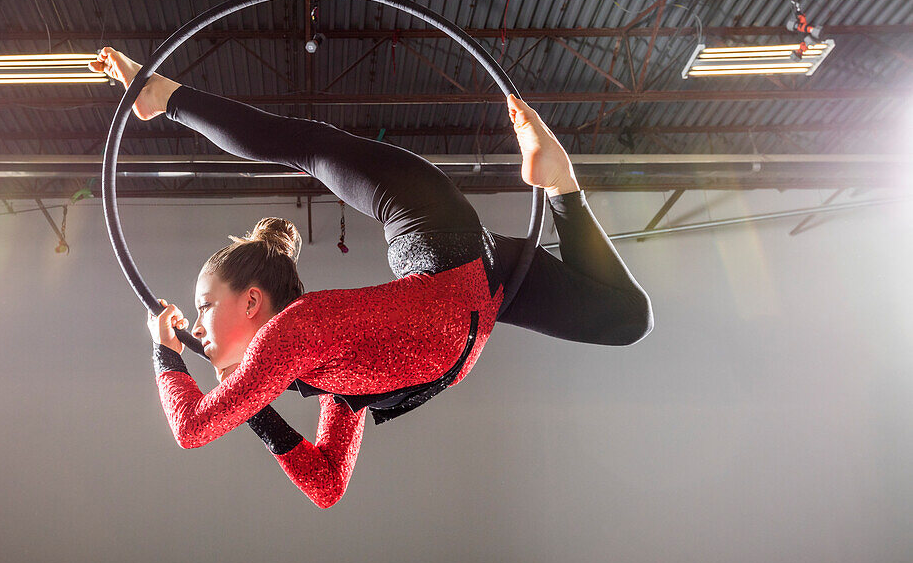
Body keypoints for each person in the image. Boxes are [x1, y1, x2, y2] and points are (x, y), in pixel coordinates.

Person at [91, 47, 653, 508]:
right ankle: (560, 184)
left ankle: (163, 97)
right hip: (482, 289)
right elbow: (327, 484)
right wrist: (254, 407)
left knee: (310, 147)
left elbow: (191, 425)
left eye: (205, 305)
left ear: (253, 302)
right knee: (630, 320)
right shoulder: (336, 371)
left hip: (432, 231)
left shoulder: (298, 333)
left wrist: (167, 356)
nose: (197, 326)